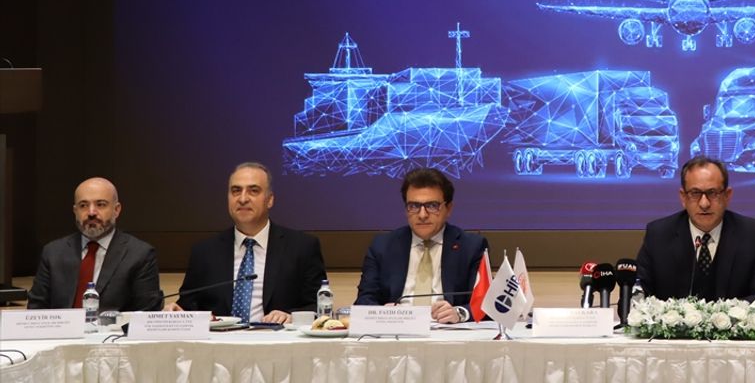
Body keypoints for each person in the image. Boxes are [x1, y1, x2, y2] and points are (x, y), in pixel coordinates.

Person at [170, 162, 326, 323]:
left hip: (275, 336)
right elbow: (187, 305)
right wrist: (176, 312)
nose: (243, 199)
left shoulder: (302, 247)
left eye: (253, 191)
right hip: (220, 337)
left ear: (270, 200)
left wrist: (291, 316)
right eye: (236, 191)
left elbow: (319, 306)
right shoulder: (204, 252)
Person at [635, 156, 755, 314]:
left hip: (732, 329)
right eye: (695, 193)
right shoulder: (659, 234)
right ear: (683, 197)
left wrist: (724, 315)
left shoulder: (752, 234)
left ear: (727, 195)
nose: (704, 203)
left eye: (713, 193)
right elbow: (636, 296)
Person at [355, 167, 488, 323]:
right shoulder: (382, 246)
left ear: (448, 209)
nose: (422, 215)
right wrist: (383, 312)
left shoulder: (471, 247)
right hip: (397, 329)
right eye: (414, 206)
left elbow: (486, 302)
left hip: (448, 329)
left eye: (432, 206)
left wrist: (460, 313)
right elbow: (364, 300)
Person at [27, 177, 163, 311]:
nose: (91, 212)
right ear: (75, 211)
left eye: (101, 204)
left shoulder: (140, 254)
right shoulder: (53, 253)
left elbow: (146, 313)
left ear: (116, 210)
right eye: (83, 205)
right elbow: (36, 310)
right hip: (63, 326)